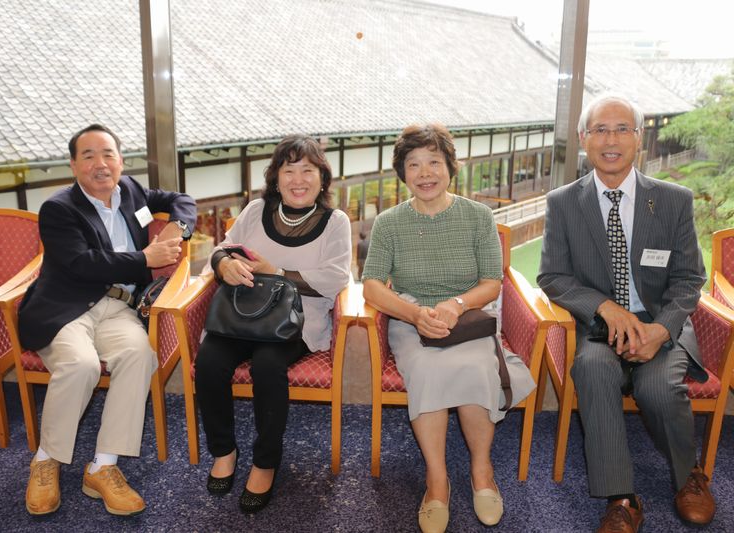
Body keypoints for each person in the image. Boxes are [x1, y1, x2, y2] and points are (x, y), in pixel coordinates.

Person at [538, 94, 714, 532]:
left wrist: (660, 330)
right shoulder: (563, 202)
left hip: (659, 325)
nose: (611, 140)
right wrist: (604, 307)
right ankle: (621, 497)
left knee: (658, 387)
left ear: (639, 138)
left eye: (622, 129)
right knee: (593, 370)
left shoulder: (673, 200)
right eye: (600, 130)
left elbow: (689, 279)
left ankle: (689, 476)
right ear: (584, 138)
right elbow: (553, 276)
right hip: (599, 328)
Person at [361, 123, 535, 532]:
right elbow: (371, 286)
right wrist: (414, 314)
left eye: (434, 162)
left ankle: (481, 470)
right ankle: (437, 480)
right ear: (403, 173)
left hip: (468, 319)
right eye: (414, 164)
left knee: (476, 366)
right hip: (412, 320)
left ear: (450, 168)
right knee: (427, 367)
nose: (425, 173)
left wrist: (456, 305)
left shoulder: (478, 216)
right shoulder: (389, 223)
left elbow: (492, 281)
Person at [18, 124, 197, 516]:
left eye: (108, 154)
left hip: (119, 307)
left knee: (139, 355)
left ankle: (103, 465)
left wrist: (177, 227)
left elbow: (181, 199)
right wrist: (144, 259)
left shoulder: (131, 191)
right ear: (73, 165)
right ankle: (46, 459)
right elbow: (82, 263)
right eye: (88, 156)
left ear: (120, 160)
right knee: (80, 364)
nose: (100, 164)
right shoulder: (58, 209)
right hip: (66, 307)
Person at [195, 135, 351, 513]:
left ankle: (265, 461)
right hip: (242, 314)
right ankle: (224, 450)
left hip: (296, 321)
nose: (298, 180)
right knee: (210, 361)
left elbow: (336, 278)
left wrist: (276, 271)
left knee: (267, 365)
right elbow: (222, 249)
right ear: (276, 178)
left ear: (322, 178)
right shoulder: (255, 210)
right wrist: (224, 264)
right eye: (288, 170)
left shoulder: (335, 222)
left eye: (307, 170)